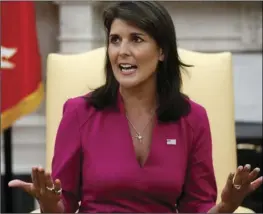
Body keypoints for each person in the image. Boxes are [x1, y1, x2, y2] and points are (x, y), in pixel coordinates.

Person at [9, 1, 262, 213]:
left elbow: (196, 207)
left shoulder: (192, 118)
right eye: (115, 40)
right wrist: (49, 203)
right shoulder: (79, 113)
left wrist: (226, 207)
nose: (122, 51)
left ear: (161, 51)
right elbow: (64, 201)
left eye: (136, 39)